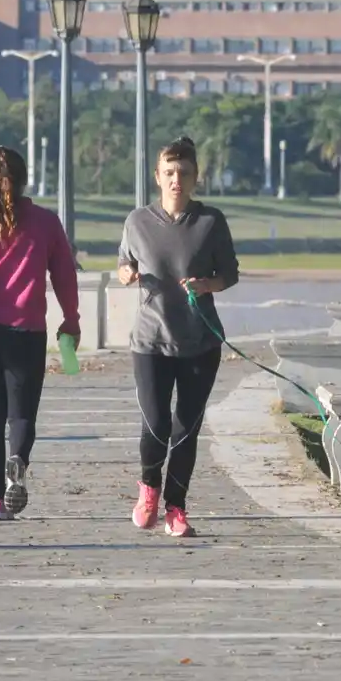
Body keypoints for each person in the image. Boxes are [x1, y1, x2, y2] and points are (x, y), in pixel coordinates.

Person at [117, 136, 239, 538]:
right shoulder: (137, 221)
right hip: (150, 342)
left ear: (195, 177)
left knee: (186, 429)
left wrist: (206, 285)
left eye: (183, 173)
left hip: (200, 343)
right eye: (169, 172)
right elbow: (124, 262)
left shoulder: (211, 222)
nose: (176, 180)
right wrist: (127, 274)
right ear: (157, 176)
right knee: (156, 424)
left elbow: (230, 274)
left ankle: (176, 507)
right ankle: (149, 487)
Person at [0, 146, 80, 521]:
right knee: (21, 416)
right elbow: (65, 276)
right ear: (24, 180)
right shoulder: (46, 222)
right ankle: (18, 460)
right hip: (27, 332)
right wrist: (71, 320)